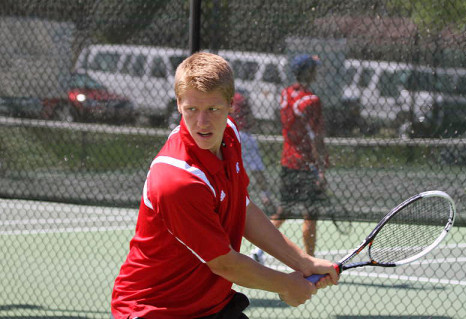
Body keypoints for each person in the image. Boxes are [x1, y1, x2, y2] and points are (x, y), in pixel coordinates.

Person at [111, 52, 338, 319]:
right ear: (179, 104)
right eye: (191, 109)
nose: (202, 122)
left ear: (231, 104)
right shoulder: (177, 181)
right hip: (154, 310)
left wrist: (303, 261)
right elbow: (224, 263)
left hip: (210, 304)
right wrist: (286, 285)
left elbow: (242, 208)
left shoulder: (229, 135)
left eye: (213, 109)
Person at [254, 54, 329, 260]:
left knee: (283, 209)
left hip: (288, 160)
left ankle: (258, 249)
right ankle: (312, 261)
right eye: (313, 68)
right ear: (307, 72)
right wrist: (320, 168)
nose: (316, 72)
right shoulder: (312, 101)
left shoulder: (286, 94)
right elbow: (316, 137)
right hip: (307, 164)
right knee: (310, 215)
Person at [231, 90, 276, 215]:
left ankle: (234, 198)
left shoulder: (222, 95)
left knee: (234, 169)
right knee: (257, 170)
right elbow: (250, 117)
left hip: (230, 135)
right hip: (244, 134)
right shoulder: (240, 97)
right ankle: (265, 195)